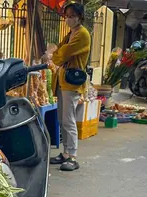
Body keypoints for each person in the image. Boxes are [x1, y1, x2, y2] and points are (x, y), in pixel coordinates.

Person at [50, 1, 91, 171]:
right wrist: (54, 53)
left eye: (72, 16)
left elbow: (63, 53)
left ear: (80, 17)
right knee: (62, 119)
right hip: (63, 80)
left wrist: (53, 55)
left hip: (72, 82)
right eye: (67, 16)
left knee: (69, 120)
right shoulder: (71, 33)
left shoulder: (82, 34)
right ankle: (66, 153)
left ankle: (72, 156)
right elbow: (60, 49)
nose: (68, 19)